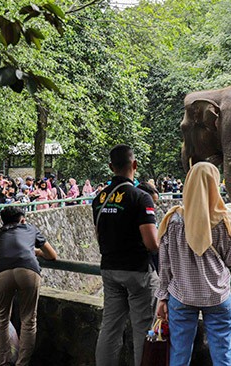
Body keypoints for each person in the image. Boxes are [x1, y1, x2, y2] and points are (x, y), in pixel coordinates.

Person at [155, 161, 231, 366]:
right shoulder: (225, 220)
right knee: (223, 354)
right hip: (218, 296)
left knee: (179, 354)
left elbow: (165, 265)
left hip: (181, 295)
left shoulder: (172, 220)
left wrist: (162, 297)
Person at [92, 144, 159, 366]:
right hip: (137, 271)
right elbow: (152, 242)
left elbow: (99, 235)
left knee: (110, 326)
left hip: (109, 268)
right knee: (143, 327)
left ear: (111, 167)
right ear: (135, 165)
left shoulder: (99, 198)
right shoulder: (141, 197)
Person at [0, 206, 57, 366]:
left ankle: (3, 362)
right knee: (28, 320)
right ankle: (22, 363)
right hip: (27, 269)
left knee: (1, 318)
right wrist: (37, 252)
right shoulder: (30, 228)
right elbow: (52, 255)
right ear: (22, 219)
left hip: (1, 272)